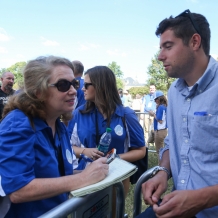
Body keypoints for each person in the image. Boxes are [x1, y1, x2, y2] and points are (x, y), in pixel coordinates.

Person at [0, 56, 108, 218]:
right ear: (38, 91)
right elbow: (18, 190)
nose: (73, 91)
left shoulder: (58, 125)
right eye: (63, 85)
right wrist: (83, 179)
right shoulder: (18, 123)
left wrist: (93, 172)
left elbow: (57, 174)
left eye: (74, 84)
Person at [137, 9, 218, 218]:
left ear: (194, 42)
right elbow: (174, 142)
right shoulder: (174, 92)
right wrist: (164, 171)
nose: (160, 56)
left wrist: (201, 199)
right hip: (175, 206)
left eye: (168, 46)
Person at [67, 66, 146, 195]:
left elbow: (140, 151)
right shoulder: (79, 114)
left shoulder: (126, 115)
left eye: (86, 85)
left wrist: (114, 159)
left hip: (116, 178)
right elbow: (69, 147)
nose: (82, 89)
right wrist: (84, 151)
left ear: (100, 86)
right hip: (85, 177)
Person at [149, 90, 167, 163]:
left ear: (159, 99)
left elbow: (160, 120)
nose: (155, 101)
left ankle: (161, 167)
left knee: (159, 151)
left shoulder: (161, 107)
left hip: (160, 131)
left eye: (155, 99)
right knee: (161, 150)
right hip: (163, 130)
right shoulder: (164, 106)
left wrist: (152, 114)